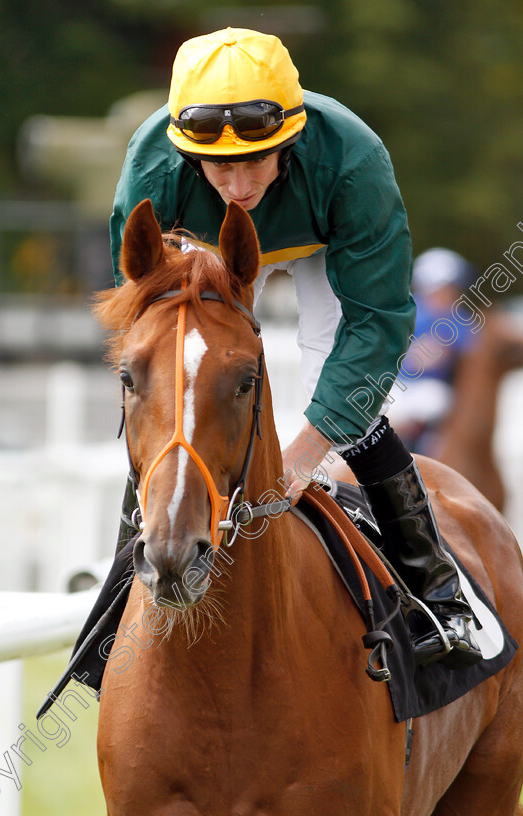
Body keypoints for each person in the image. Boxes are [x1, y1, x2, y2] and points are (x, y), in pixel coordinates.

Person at [87, 27, 482, 674]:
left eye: (255, 162)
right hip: (203, 247)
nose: (239, 186)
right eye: (220, 166)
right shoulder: (153, 170)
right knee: (180, 392)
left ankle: (438, 592)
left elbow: (376, 323)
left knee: (337, 385)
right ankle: (116, 603)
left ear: (290, 142)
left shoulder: (354, 162)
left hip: (322, 246)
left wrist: (306, 450)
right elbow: (144, 318)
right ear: (190, 156)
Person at [390, 247, 478, 453]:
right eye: (444, 288)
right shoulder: (410, 311)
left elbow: (469, 352)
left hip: (434, 385)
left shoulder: (460, 319)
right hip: (398, 383)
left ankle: (422, 453)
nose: (450, 293)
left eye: (453, 288)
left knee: (434, 402)